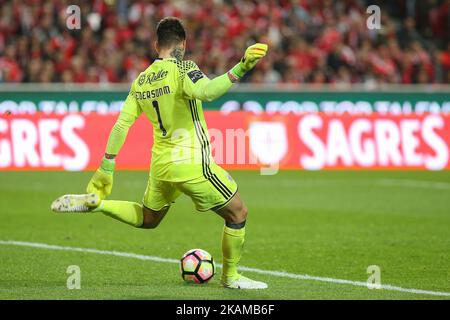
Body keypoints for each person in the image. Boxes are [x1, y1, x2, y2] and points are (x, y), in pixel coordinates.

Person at [51, 17, 268, 289]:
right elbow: (208, 92)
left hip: (161, 165)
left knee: (148, 218)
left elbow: (122, 124)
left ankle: (99, 204)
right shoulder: (183, 68)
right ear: (183, 44)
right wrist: (241, 68)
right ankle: (231, 277)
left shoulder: (140, 81)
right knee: (238, 213)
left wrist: (106, 166)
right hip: (192, 164)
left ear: (156, 45)